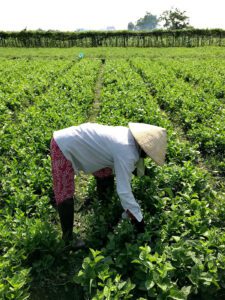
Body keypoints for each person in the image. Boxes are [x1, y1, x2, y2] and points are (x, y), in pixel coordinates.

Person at [50, 122, 167, 248]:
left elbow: (134, 164)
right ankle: (68, 239)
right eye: (149, 153)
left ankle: (104, 207)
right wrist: (139, 220)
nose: (148, 157)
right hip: (62, 145)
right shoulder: (126, 150)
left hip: (85, 143)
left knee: (105, 172)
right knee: (65, 194)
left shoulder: (127, 135)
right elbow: (124, 191)